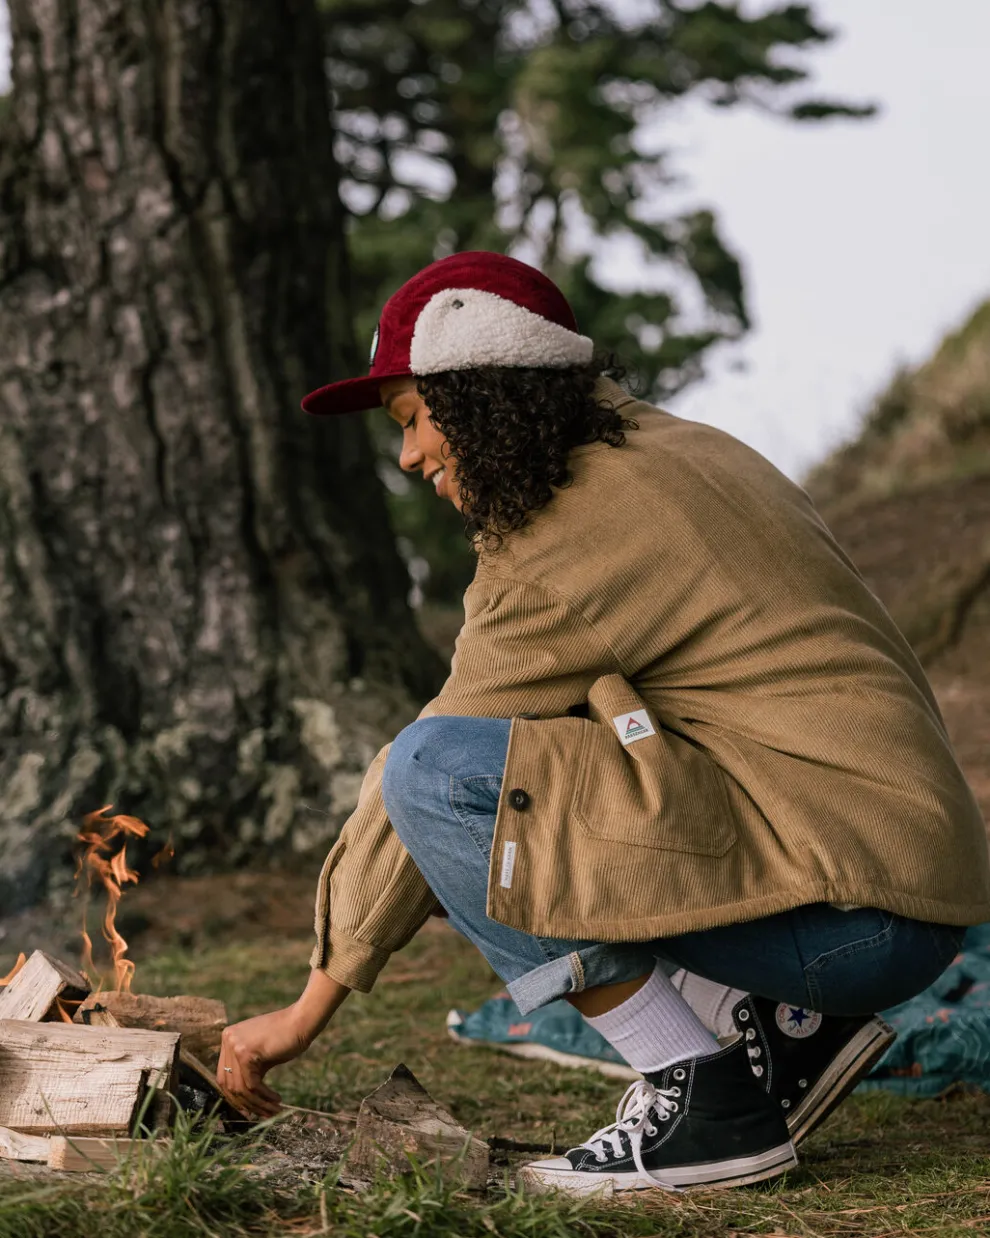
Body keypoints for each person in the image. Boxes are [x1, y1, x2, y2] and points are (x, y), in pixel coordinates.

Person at [217, 251, 990, 1195]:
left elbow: (420, 785)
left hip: (852, 917)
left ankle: (701, 1099)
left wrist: (309, 1005)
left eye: (416, 419)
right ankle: (780, 1032)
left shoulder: (564, 539)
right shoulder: (691, 450)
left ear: (485, 395)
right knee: (590, 728)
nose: (410, 457)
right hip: (909, 883)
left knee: (442, 775)